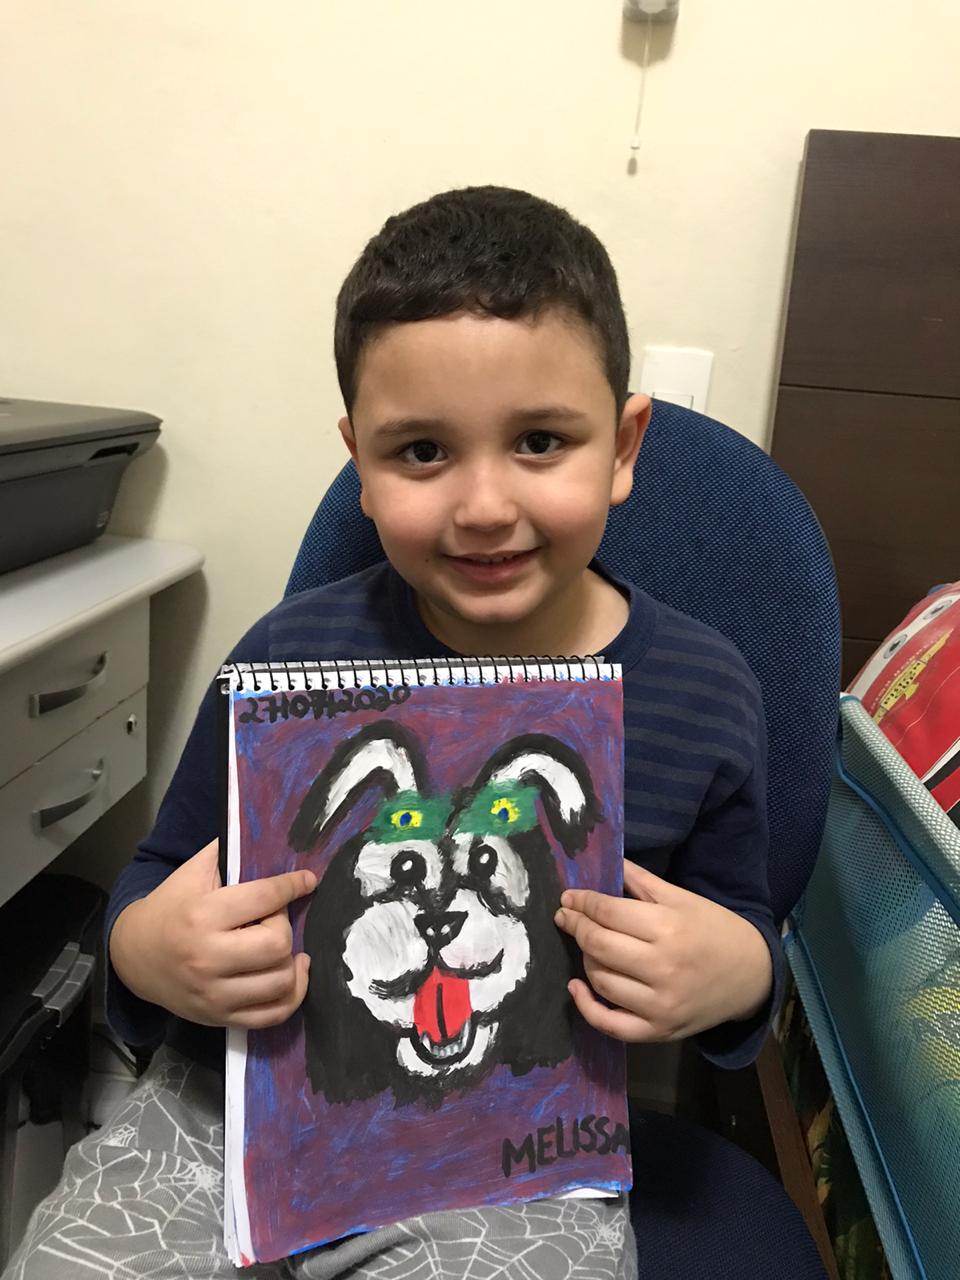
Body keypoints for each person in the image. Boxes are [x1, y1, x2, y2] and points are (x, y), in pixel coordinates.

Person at [7, 186, 779, 1280]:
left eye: (541, 441)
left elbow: (749, 925)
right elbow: (156, 877)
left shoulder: (704, 690)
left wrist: (733, 972)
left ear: (622, 445)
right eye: (420, 450)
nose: (483, 504)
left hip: (515, 1153)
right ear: (359, 465)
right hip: (224, 1107)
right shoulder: (288, 653)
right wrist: (153, 952)